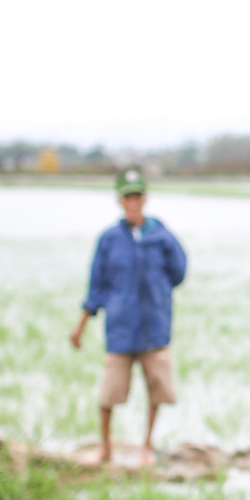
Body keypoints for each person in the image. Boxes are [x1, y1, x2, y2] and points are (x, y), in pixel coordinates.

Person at [69, 168, 187, 465]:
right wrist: (81, 324)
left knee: (157, 389)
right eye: (127, 197)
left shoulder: (162, 236)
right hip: (121, 326)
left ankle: (147, 446)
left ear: (145, 198)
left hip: (155, 326)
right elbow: (96, 284)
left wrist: (157, 292)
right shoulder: (109, 239)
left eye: (137, 196)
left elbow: (178, 272)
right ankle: (106, 447)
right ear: (120, 201)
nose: (133, 202)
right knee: (109, 392)